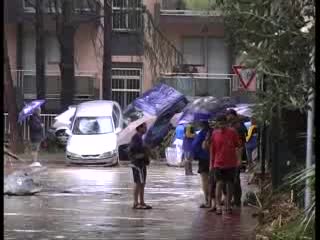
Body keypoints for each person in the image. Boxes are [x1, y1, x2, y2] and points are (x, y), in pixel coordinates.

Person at [210, 114, 241, 215]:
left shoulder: (232, 132)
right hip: (218, 163)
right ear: (217, 124)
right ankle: (218, 206)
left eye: (223, 123)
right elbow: (212, 150)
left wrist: (239, 160)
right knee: (219, 183)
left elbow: (238, 146)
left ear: (226, 123)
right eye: (219, 124)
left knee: (230, 184)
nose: (221, 125)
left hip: (231, 163)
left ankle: (228, 205)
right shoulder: (214, 133)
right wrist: (211, 163)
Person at [226, 109, 247, 207]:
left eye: (229, 115)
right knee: (230, 178)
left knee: (235, 178)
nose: (228, 117)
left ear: (234, 116)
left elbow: (241, 144)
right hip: (230, 155)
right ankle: (232, 198)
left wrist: (239, 159)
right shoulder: (231, 126)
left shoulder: (238, 127)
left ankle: (236, 200)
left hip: (236, 155)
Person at [128, 122, 152, 210]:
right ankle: (136, 202)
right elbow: (133, 151)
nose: (146, 129)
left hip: (141, 164)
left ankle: (141, 202)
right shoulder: (136, 138)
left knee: (142, 183)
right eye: (145, 127)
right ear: (139, 128)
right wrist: (144, 151)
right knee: (138, 183)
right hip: (137, 164)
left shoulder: (140, 138)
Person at [192, 120, 210, 208]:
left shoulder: (202, 133)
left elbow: (195, 145)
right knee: (214, 181)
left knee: (205, 180)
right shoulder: (214, 132)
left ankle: (208, 201)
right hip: (214, 159)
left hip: (204, 159)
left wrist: (196, 155)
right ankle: (215, 201)